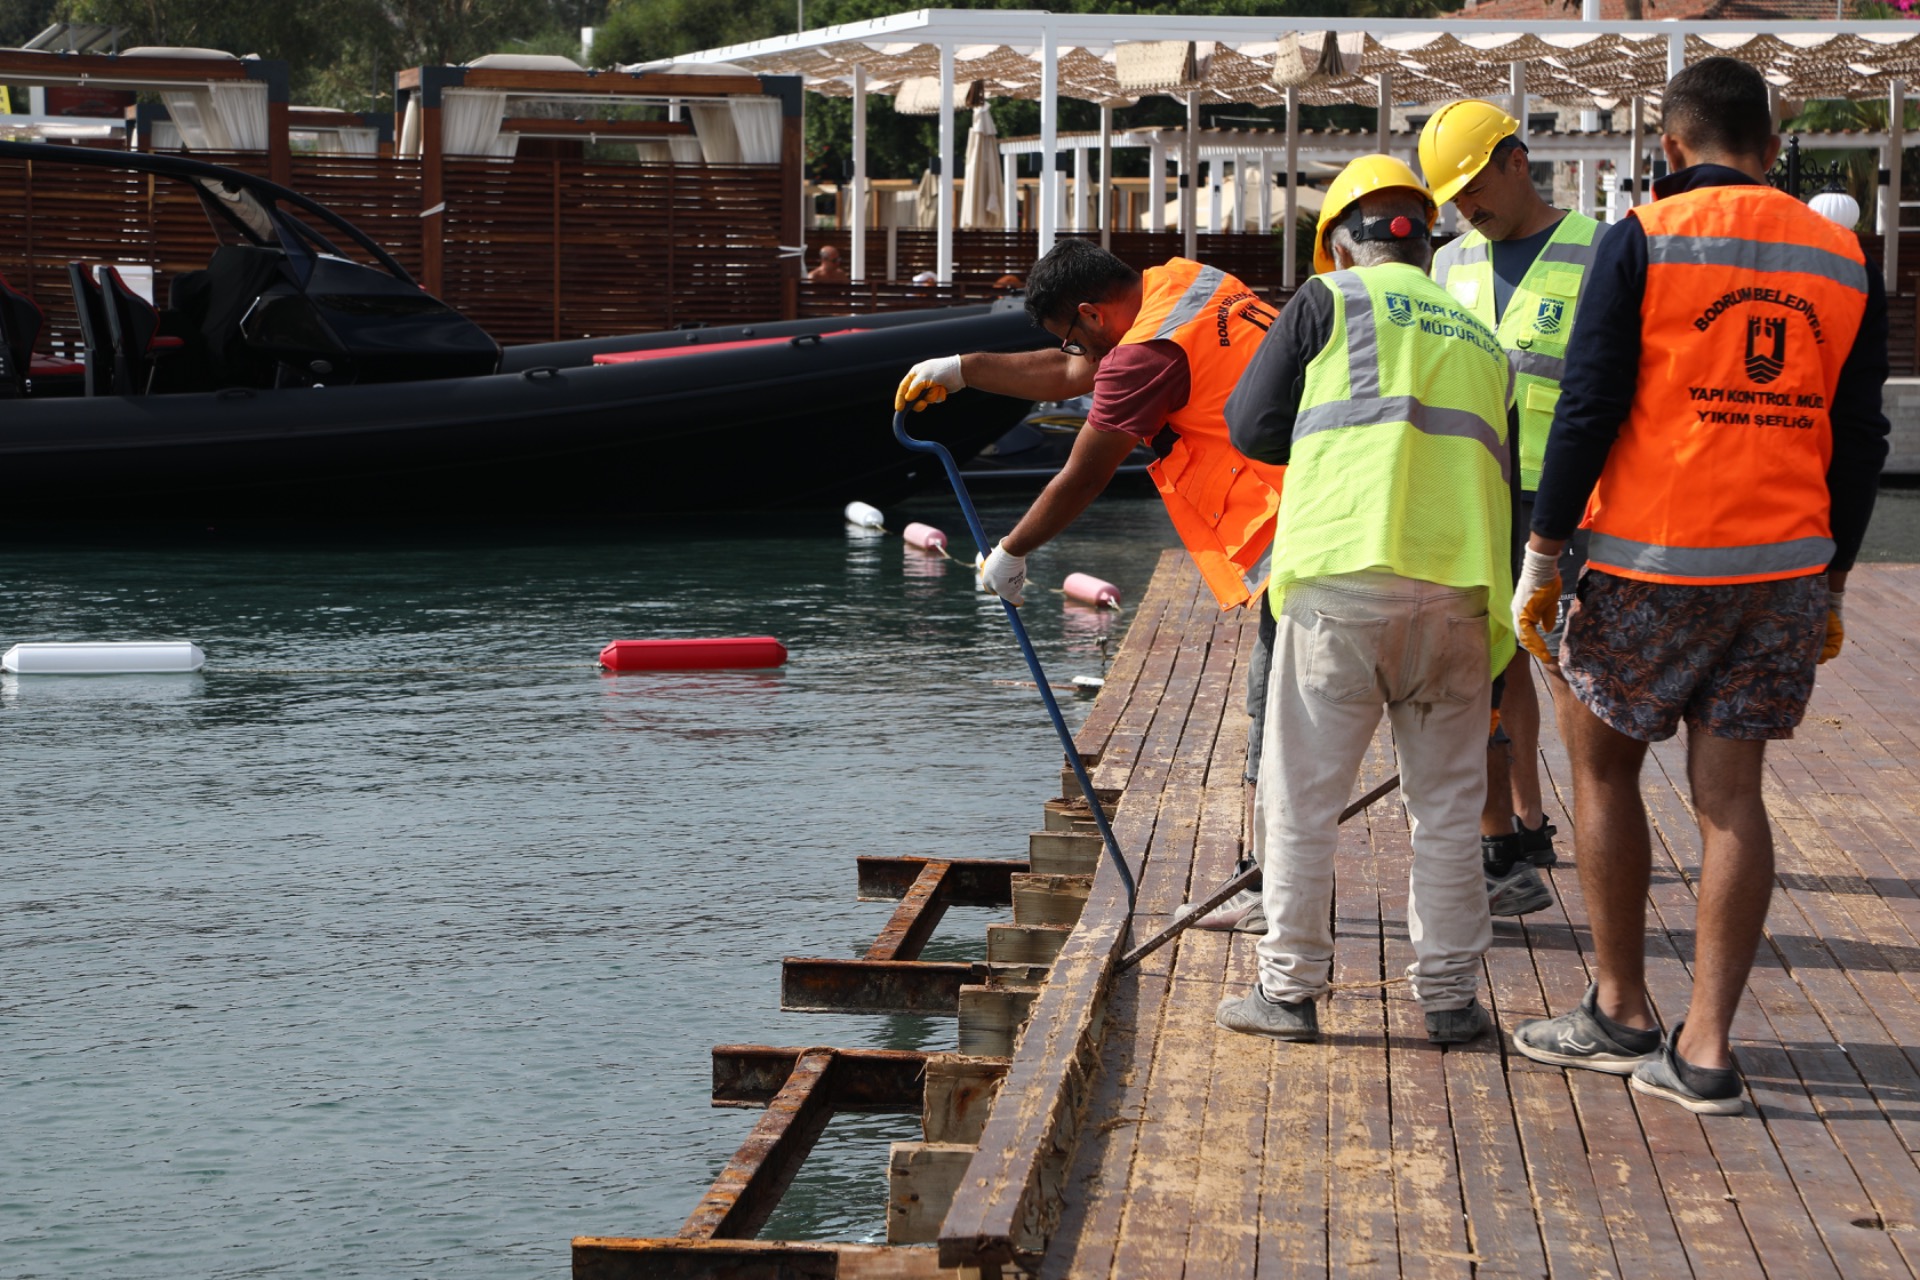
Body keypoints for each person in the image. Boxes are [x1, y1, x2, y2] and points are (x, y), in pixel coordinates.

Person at [1508, 56, 1888, 1114]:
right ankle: (1707, 1049)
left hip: (1648, 558)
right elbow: (1860, 437)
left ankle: (1620, 1004)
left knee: (1601, 768)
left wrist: (1542, 555)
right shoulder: (1848, 253)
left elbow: (1587, 406)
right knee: (1732, 802)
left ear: (1670, 148)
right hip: (1784, 569)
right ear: (1771, 147)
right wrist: (1838, 576)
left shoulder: (1642, 234)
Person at [894, 240, 1286, 927]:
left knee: (1276, 718)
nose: (1076, 351)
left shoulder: (1143, 353)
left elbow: (1084, 471)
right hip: (1335, 493)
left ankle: (1267, 888)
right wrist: (965, 370)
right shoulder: (1184, 283)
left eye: (1074, 335)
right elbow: (1074, 369)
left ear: (1090, 313)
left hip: (1291, 526)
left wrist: (1012, 553)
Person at [1217, 156, 1518, 1046]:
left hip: (1344, 579)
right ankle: (1453, 1001)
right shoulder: (1480, 335)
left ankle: (1290, 989)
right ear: (1424, 246)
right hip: (1463, 595)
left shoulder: (1327, 301)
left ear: (1339, 246)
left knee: (1302, 801)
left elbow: (1251, 426)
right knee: (1449, 813)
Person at [1421, 99, 1608, 896]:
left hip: (1571, 498)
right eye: (1455, 198)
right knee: (1497, 660)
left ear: (1517, 161)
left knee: (1565, 659)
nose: (1468, 208)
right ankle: (1526, 825)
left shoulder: (1601, 250)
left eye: (1475, 188)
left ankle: (1603, 814)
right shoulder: (1447, 264)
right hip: (1478, 489)